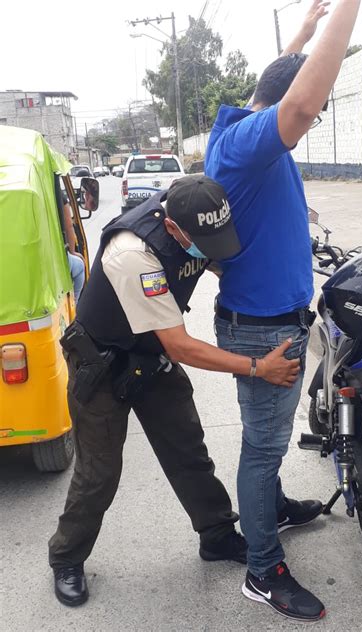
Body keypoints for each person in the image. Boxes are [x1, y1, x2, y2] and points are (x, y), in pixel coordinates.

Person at [48, 175, 302, 608]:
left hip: (150, 358)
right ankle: (66, 557)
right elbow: (180, 345)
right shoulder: (133, 253)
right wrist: (258, 367)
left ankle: (217, 534)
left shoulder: (204, 216)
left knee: (187, 449)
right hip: (102, 364)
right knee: (99, 473)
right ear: (171, 228)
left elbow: (227, 262)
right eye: (203, 242)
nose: (212, 249)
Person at [205, 0, 361, 622]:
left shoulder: (240, 123)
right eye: (314, 112)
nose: (311, 119)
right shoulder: (247, 143)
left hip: (273, 318)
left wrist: (307, 25)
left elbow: (276, 85)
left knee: (261, 440)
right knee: (262, 449)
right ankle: (263, 570)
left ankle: (273, 507)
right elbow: (295, 103)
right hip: (263, 331)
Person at [62, 192, 85, 303]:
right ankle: (73, 306)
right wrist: (72, 251)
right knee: (79, 265)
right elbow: (69, 226)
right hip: (51, 260)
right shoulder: (54, 192)